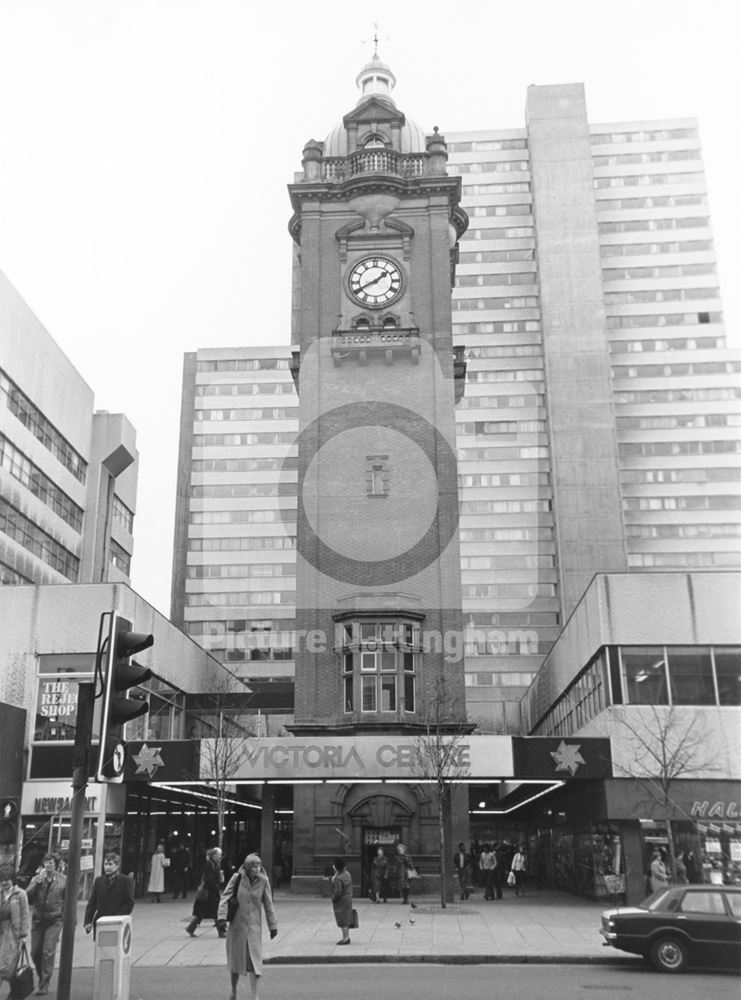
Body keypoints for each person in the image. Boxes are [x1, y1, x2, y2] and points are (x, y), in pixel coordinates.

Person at [217, 853, 277, 1000]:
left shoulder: (263, 881)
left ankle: (255, 995)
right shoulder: (237, 878)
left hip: (254, 928)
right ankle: (233, 990)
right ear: (247, 867)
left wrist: (273, 925)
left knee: (255, 963)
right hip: (237, 927)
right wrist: (221, 918)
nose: (257, 868)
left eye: (258, 865)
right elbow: (225, 898)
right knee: (236, 962)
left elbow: (269, 904)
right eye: (254, 866)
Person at [26, 854, 65, 995]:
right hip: (38, 920)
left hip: (54, 920)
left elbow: (67, 900)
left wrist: (68, 919)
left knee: (48, 951)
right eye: (46, 863)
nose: (48, 865)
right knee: (35, 952)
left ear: (56, 865)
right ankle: (42, 976)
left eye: (51, 863)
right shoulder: (37, 879)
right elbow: (26, 895)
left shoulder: (63, 880)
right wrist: (36, 882)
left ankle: (44, 983)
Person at [83, 852, 134, 938]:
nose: (107, 867)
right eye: (105, 864)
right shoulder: (99, 881)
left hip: (117, 922)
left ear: (117, 866)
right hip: (101, 922)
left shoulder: (125, 881)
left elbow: (129, 903)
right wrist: (88, 921)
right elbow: (92, 903)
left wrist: (117, 917)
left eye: (110, 864)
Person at [0, 866, 30, 997]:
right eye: (2, 880)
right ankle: (15, 992)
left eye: (7, 880)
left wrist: (24, 935)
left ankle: (16, 991)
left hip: (13, 933)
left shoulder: (20, 894)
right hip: (1, 931)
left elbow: (25, 915)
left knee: (9, 966)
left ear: (12, 880)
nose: (4, 883)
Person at [186, 846, 223, 938]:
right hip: (209, 893)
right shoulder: (209, 864)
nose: (220, 857)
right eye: (219, 855)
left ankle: (191, 928)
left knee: (206, 913)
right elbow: (208, 879)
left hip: (211, 892)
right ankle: (221, 931)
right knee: (212, 912)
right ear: (214, 855)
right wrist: (216, 887)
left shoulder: (215, 864)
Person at [329, 858, 353, 945]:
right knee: (346, 917)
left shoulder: (338, 879)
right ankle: (347, 936)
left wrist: (333, 899)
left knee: (342, 919)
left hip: (341, 900)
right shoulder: (347, 874)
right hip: (348, 898)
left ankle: (345, 938)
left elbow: (338, 892)